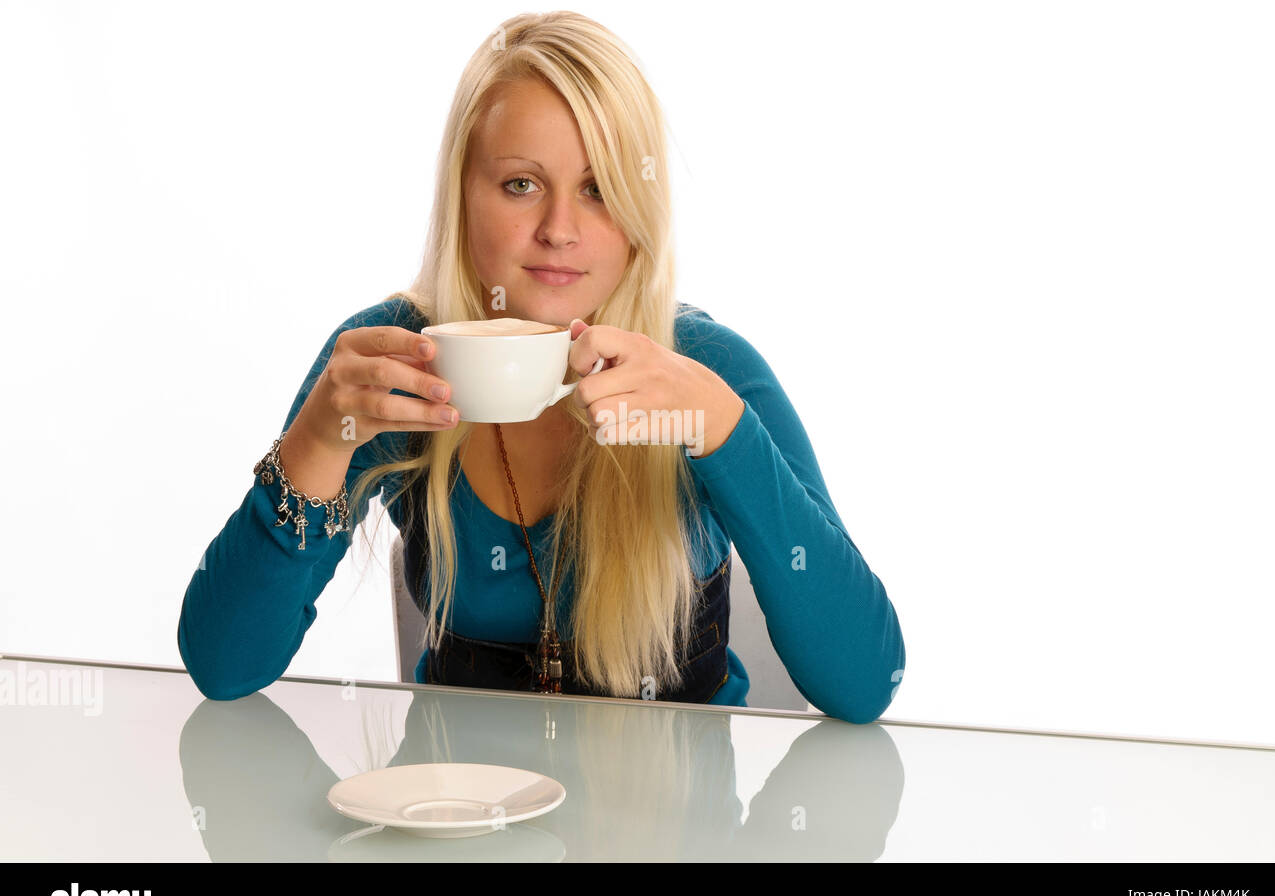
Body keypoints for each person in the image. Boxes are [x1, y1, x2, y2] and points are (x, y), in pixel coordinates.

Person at [177, 11, 905, 724]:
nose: (559, 229)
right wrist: (315, 445)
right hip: (458, 834)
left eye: (598, 188)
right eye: (521, 184)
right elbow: (224, 665)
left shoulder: (708, 370)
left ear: (640, 211)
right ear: (464, 195)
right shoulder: (389, 357)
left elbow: (865, 682)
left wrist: (723, 431)